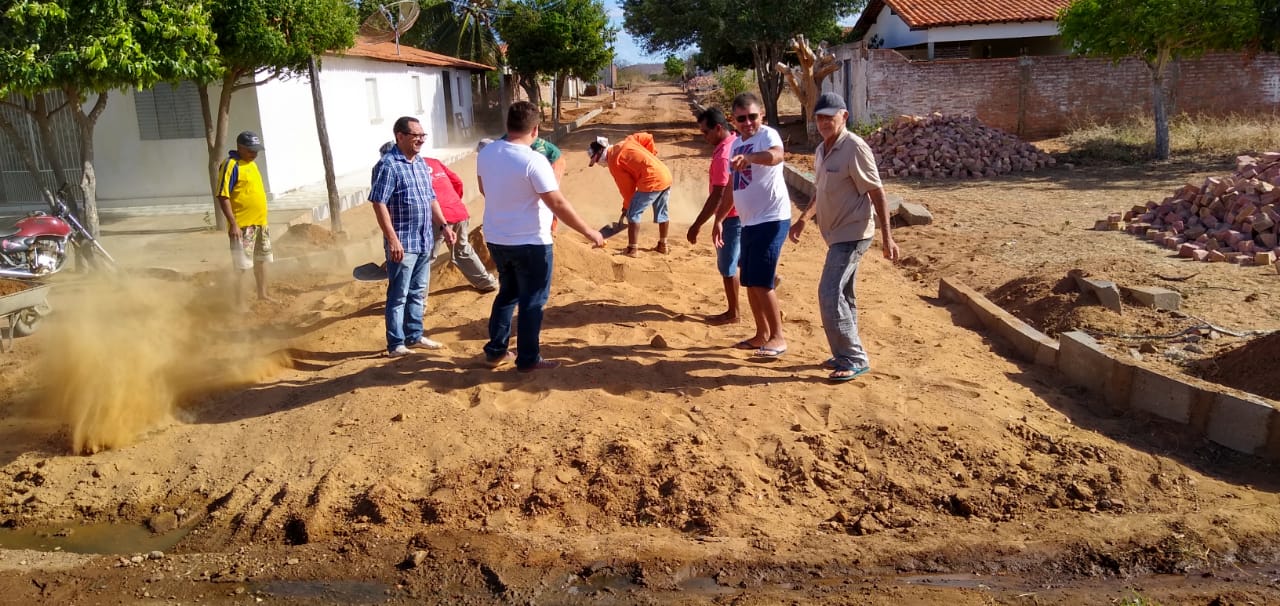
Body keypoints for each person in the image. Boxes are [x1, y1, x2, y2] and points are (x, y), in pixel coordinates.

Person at [477, 101, 605, 372]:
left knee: (507, 294)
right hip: (531, 242)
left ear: (507, 125)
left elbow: (485, 188)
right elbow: (556, 203)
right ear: (535, 130)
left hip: (497, 238)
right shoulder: (534, 160)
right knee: (532, 301)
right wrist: (589, 231)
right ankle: (528, 359)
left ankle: (496, 350)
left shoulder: (486, 154)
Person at [788, 92, 900, 381]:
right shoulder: (822, 150)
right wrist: (802, 220)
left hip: (854, 233)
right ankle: (846, 353)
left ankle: (854, 358)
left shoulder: (854, 148)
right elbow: (820, 191)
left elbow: (877, 192)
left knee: (829, 293)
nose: (824, 122)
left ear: (844, 116)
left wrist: (888, 238)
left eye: (830, 116)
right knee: (844, 295)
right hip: (834, 233)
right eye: (820, 117)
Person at [711, 92, 791, 358]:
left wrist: (752, 158)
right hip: (748, 222)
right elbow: (733, 188)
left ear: (762, 116)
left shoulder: (767, 136)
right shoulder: (735, 146)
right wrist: (720, 218)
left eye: (753, 117)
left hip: (772, 218)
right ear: (734, 121)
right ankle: (760, 335)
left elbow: (776, 156)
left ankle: (777, 337)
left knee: (761, 280)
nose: (748, 123)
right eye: (742, 118)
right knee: (749, 279)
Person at [369, 116, 456, 357]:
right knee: (399, 295)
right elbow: (379, 202)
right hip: (403, 243)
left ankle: (414, 336)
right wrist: (393, 239)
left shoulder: (419, 163)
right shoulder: (388, 165)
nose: (420, 139)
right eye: (415, 135)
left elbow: (431, 198)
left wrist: (445, 226)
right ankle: (396, 344)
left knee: (418, 292)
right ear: (400, 136)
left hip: (424, 239)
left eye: (422, 135)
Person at [688, 107, 741, 325]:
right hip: (743, 212)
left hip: (731, 216)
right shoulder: (734, 143)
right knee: (740, 258)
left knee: (727, 266)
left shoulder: (723, 155)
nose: (704, 137)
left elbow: (718, 195)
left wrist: (698, 224)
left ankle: (733, 313)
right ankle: (768, 280)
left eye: (705, 132)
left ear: (718, 128)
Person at [588, 132, 673, 257]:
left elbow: (628, 189)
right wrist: (650, 157)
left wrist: (626, 207)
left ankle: (632, 249)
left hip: (651, 179)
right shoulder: (626, 141)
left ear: (601, 152)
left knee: (633, 214)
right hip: (664, 174)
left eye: (596, 160)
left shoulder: (613, 161)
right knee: (662, 212)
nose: (598, 164)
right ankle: (663, 245)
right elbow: (647, 137)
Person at [216, 130, 274, 308]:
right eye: (250, 150)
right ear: (240, 148)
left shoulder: (252, 164)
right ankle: (240, 304)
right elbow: (223, 195)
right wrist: (233, 224)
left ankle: (262, 294)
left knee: (261, 260)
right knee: (241, 267)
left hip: (260, 224)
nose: (254, 153)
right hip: (242, 227)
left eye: (256, 150)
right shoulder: (230, 165)